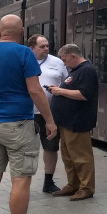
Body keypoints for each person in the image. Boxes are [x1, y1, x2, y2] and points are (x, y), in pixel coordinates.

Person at [0, 14, 57, 214]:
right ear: (22, 32)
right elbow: (35, 90)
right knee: (21, 180)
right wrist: (49, 120)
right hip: (18, 124)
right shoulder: (24, 53)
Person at [48, 44, 99, 201]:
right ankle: (73, 184)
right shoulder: (75, 71)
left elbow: (84, 94)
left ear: (73, 56)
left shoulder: (86, 70)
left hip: (78, 121)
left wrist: (60, 91)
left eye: (65, 60)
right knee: (68, 156)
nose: (64, 63)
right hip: (66, 121)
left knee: (81, 157)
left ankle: (86, 188)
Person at [28, 34, 68, 194]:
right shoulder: (23, 59)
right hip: (27, 113)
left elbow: (67, 82)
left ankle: (48, 181)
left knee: (51, 148)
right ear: (32, 48)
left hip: (49, 114)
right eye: (42, 46)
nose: (46, 49)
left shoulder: (57, 62)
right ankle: (22, 182)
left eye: (47, 46)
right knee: (25, 149)